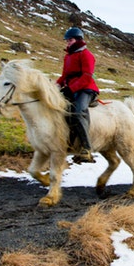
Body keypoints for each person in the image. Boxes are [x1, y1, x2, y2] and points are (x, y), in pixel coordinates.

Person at [57, 25, 99, 163]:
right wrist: (57, 85)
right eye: (67, 40)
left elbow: (87, 76)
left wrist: (72, 89)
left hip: (86, 89)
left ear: (78, 40)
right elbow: (65, 75)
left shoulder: (87, 55)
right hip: (72, 88)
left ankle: (86, 148)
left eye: (70, 40)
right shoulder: (68, 56)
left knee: (79, 112)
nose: (68, 42)